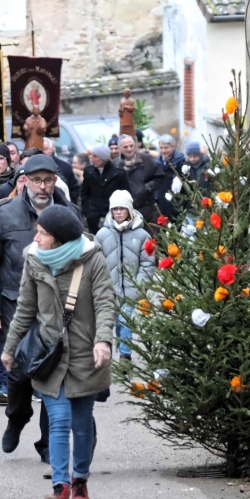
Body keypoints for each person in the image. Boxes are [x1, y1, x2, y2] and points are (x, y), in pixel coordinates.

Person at [0, 204, 115, 499]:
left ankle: (80, 480)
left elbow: (106, 302)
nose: (36, 237)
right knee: (59, 420)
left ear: (61, 239)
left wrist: (103, 340)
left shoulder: (92, 260)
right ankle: (61, 487)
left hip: (85, 354)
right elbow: (25, 308)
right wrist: (10, 348)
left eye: (43, 233)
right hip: (48, 357)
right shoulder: (34, 261)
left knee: (81, 423)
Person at [0, 154, 79, 458]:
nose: (43, 186)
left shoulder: (68, 213)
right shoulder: (6, 213)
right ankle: (17, 418)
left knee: (54, 372)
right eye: (37, 180)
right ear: (25, 180)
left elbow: (82, 260)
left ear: (55, 180)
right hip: (14, 302)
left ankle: (48, 443)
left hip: (58, 307)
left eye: (48, 180)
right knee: (19, 371)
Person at [94, 191, 154, 361]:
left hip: (132, 287)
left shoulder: (142, 235)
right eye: (115, 209)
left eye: (122, 208)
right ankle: (119, 347)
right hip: (109, 288)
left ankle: (125, 354)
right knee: (114, 322)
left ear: (129, 209)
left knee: (126, 319)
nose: (118, 212)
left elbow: (148, 262)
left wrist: (139, 284)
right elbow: (96, 262)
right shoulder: (102, 235)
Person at [81, 144, 129, 235]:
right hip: (93, 215)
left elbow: (125, 195)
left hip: (112, 214)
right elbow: (84, 193)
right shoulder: (89, 171)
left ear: (103, 158)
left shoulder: (118, 174)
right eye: (91, 156)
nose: (92, 158)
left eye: (95, 156)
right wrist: (87, 211)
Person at [118, 134, 165, 225]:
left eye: (131, 146)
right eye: (126, 147)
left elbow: (160, 177)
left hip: (147, 209)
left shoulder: (146, 159)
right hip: (125, 211)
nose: (129, 149)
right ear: (120, 148)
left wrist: (146, 188)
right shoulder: (116, 164)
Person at [154, 134, 186, 220]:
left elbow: (185, 186)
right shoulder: (156, 163)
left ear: (173, 147)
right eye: (161, 148)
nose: (163, 151)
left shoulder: (181, 162)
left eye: (166, 148)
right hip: (160, 205)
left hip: (175, 207)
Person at [42, 137, 81, 204]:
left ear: (52, 149)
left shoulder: (65, 166)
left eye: (45, 149)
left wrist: (69, 203)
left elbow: (75, 188)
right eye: (40, 149)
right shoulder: (32, 166)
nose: (43, 152)